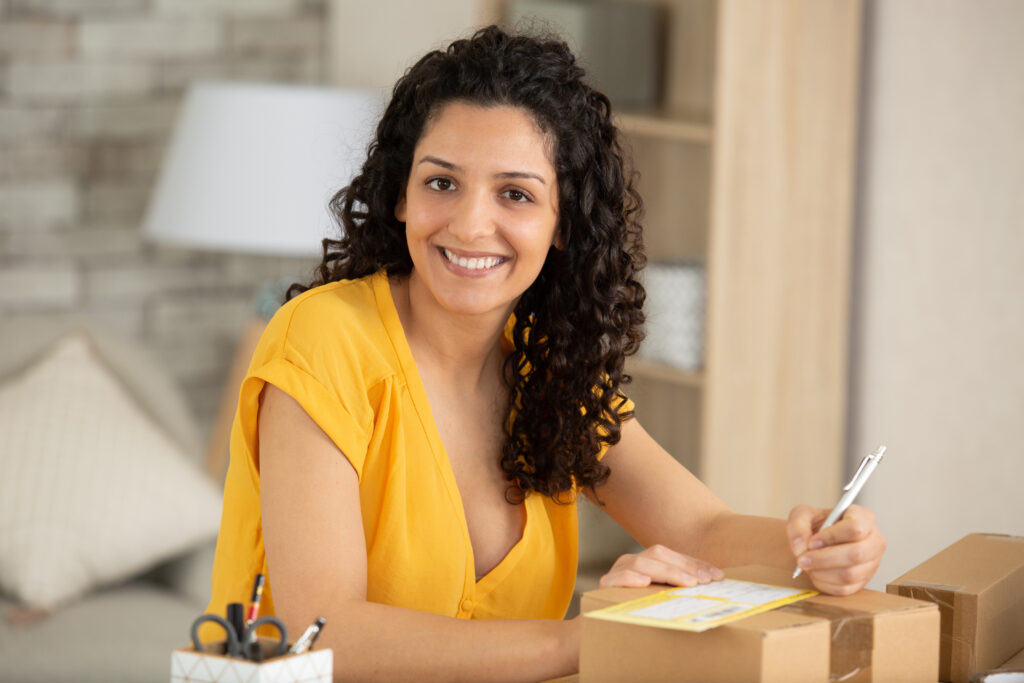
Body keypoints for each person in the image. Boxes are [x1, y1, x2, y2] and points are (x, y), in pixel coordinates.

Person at [206, 25, 885, 681]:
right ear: (400, 197)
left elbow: (702, 528)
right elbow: (329, 633)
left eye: (516, 193)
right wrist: (583, 640)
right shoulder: (321, 339)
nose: (471, 224)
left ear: (564, 224)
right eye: (441, 182)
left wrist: (816, 544)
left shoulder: (545, 366)